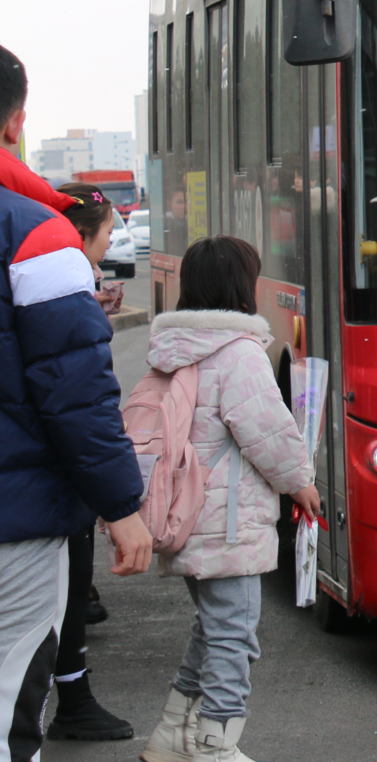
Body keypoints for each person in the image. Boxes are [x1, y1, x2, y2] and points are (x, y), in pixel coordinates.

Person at [0, 45, 153, 762]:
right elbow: (76, 391)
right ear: (15, 123)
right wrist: (121, 506)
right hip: (15, 526)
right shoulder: (36, 233)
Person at [140, 235, 318, 762]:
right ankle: (217, 744)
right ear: (242, 286)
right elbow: (268, 431)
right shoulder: (239, 352)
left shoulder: (173, 350)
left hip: (189, 514)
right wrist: (301, 482)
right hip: (227, 522)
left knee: (213, 629)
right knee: (234, 637)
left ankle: (174, 733)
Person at [44, 184, 134, 741]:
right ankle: (71, 700)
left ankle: (73, 697)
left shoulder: (48, 279)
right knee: (69, 587)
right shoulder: (58, 279)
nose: (107, 248)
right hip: (53, 475)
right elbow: (81, 404)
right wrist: (120, 504)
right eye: (105, 236)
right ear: (81, 237)